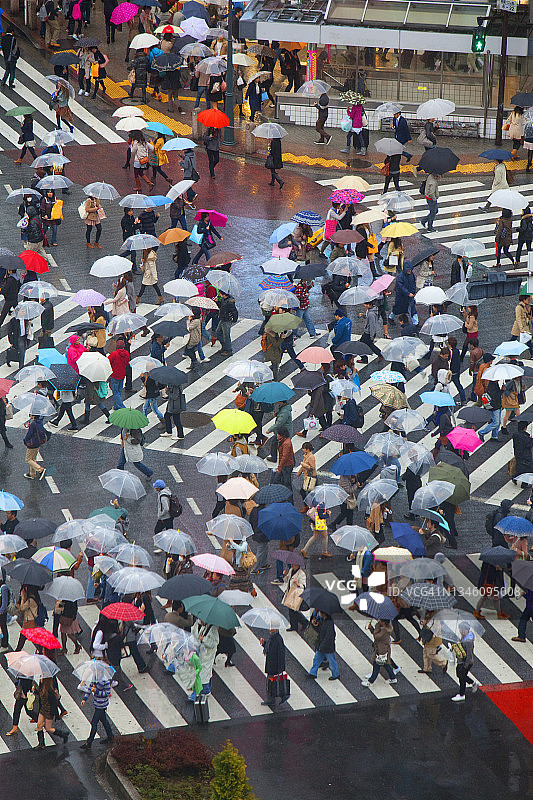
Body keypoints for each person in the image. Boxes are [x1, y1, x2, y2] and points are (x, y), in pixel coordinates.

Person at [361, 619, 397, 687]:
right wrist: (371, 628)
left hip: (381, 650)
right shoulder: (386, 628)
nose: (379, 621)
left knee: (376, 665)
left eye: (380, 620)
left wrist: (376, 626)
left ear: (383, 622)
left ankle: (371, 681)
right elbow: (376, 635)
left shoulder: (384, 630)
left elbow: (377, 637)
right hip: (383, 648)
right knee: (385, 664)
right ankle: (393, 678)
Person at [35, 677, 69, 748]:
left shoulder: (50, 691)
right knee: (39, 725)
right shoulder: (42, 687)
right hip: (43, 709)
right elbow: (40, 695)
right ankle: (41, 744)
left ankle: (63, 734)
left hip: (49, 711)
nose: (40, 678)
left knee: (48, 728)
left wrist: (52, 714)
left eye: (42, 677)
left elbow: (54, 703)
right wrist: (35, 691)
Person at [80, 678, 113, 749]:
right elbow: (89, 689)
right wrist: (84, 699)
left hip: (102, 705)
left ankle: (89, 742)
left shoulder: (105, 681)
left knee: (94, 723)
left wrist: (96, 691)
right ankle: (110, 736)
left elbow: (107, 693)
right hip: (97, 704)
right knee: (104, 721)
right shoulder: (95, 678)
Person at [261, 627, 289, 708]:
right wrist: (263, 643)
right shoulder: (272, 638)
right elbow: (270, 648)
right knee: (273, 682)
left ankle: (272, 699)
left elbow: (281, 654)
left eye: (272, 628)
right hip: (271, 664)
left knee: (270, 682)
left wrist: (280, 669)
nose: (270, 630)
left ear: (276, 629)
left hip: (274, 666)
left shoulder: (278, 639)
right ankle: (278, 696)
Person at [307, 612, 340, 681]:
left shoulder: (329, 623)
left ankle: (336, 674)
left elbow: (328, 637)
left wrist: (321, 646)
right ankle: (312, 673)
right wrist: (315, 625)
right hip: (322, 645)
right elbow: (319, 630)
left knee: (331, 661)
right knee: (316, 659)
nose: (320, 613)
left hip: (327, 647)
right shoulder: (323, 620)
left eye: (321, 612)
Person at [451, 622, 479, 701]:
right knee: (460, 675)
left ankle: (462, 694)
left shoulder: (468, 641)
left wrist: (465, 666)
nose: (460, 631)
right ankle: (473, 683)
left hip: (466, 662)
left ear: (466, 630)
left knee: (462, 677)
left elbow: (469, 655)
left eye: (461, 629)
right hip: (462, 661)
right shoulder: (464, 637)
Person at [23, 414, 47, 480]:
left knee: (28, 459)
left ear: (33, 415)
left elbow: (29, 434)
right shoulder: (39, 422)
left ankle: (40, 470)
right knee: (33, 459)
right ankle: (32, 474)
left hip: (32, 443)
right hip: (37, 443)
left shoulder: (33, 424)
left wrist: (25, 441)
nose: (29, 415)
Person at [108, 340, 130, 409]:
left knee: (115, 392)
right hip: (122, 374)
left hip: (114, 375)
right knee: (119, 392)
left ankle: (122, 407)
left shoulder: (114, 354)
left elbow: (108, 362)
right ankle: (116, 406)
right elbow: (127, 363)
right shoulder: (126, 353)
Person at [215, 290, 237, 355]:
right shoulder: (223, 299)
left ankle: (228, 350)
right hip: (222, 318)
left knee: (226, 336)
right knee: (218, 333)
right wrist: (217, 302)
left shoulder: (229, 302)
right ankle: (224, 347)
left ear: (223, 294)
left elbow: (234, 311)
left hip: (227, 320)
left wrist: (234, 320)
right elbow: (221, 307)